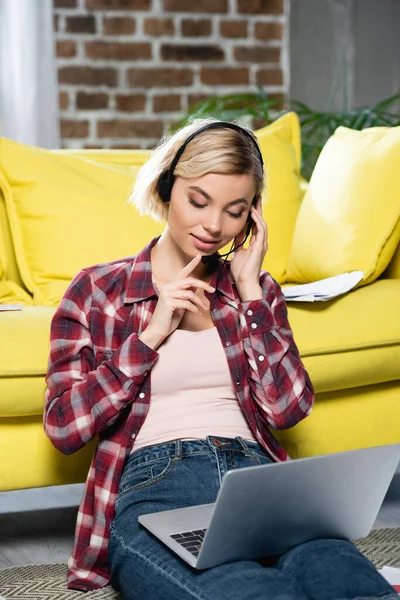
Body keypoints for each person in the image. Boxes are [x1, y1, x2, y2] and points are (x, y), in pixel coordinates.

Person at [44, 119, 397, 600]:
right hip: (158, 486)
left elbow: (287, 410)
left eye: (235, 211)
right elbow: (64, 428)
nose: (214, 227)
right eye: (198, 201)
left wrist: (251, 294)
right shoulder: (97, 291)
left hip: (259, 483)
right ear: (167, 188)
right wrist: (150, 335)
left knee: (352, 586)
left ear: (252, 217)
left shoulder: (257, 291)